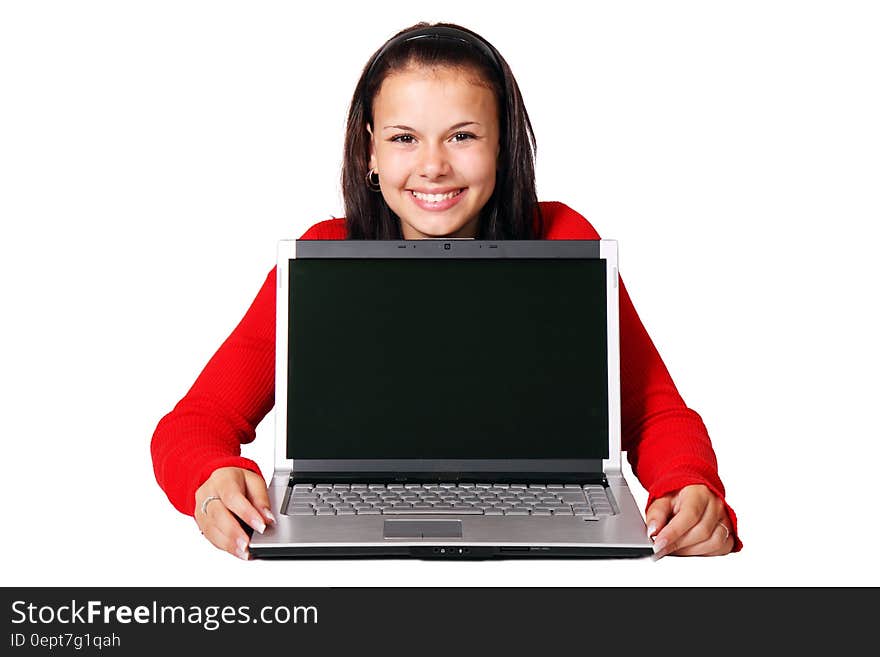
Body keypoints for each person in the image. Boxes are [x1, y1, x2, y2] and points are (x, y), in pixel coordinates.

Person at [151, 21, 741, 561]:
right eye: (405, 138)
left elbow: (651, 408)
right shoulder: (322, 255)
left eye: (462, 136)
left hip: (544, 528)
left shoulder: (565, 239)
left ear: (503, 145)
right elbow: (194, 422)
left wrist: (688, 482)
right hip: (350, 531)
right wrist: (210, 474)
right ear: (370, 151)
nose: (433, 166)